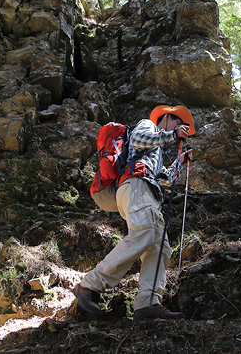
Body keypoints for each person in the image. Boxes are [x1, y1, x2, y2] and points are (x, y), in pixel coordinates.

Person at [73, 105, 195, 321]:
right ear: (166, 117)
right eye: (179, 123)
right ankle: (90, 284)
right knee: (143, 232)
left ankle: (147, 303)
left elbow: (164, 179)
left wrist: (180, 162)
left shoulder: (157, 150)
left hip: (147, 192)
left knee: (160, 248)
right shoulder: (148, 125)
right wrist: (173, 135)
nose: (181, 128)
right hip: (136, 185)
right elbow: (139, 139)